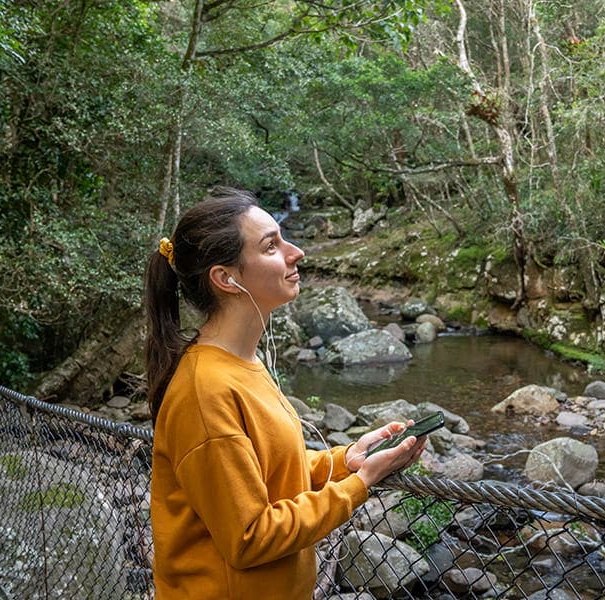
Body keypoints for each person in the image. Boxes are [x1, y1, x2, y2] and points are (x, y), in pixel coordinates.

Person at [144, 188, 424, 599]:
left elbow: (268, 471)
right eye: (271, 246)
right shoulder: (205, 390)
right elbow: (249, 536)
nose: (297, 253)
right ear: (226, 278)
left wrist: (345, 460)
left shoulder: (242, 364)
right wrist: (361, 483)